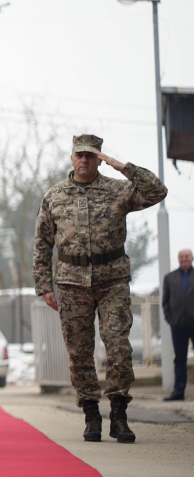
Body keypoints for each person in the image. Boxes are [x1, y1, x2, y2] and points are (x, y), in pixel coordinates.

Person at [34, 134, 167, 444]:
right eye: (80, 155)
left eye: (91, 156)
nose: (84, 160)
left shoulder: (118, 190)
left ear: (99, 158)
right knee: (79, 352)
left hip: (112, 281)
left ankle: (119, 413)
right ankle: (91, 414)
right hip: (70, 282)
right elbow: (42, 243)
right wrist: (43, 285)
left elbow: (157, 191)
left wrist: (124, 167)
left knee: (119, 346)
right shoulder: (55, 196)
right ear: (71, 157)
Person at [162, 249, 194, 401]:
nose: (184, 259)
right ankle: (178, 391)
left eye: (186, 256)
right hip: (178, 325)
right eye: (181, 256)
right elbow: (165, 303)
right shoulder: (169, 278)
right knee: (180, 359)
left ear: (192, 258)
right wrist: (171, 320)